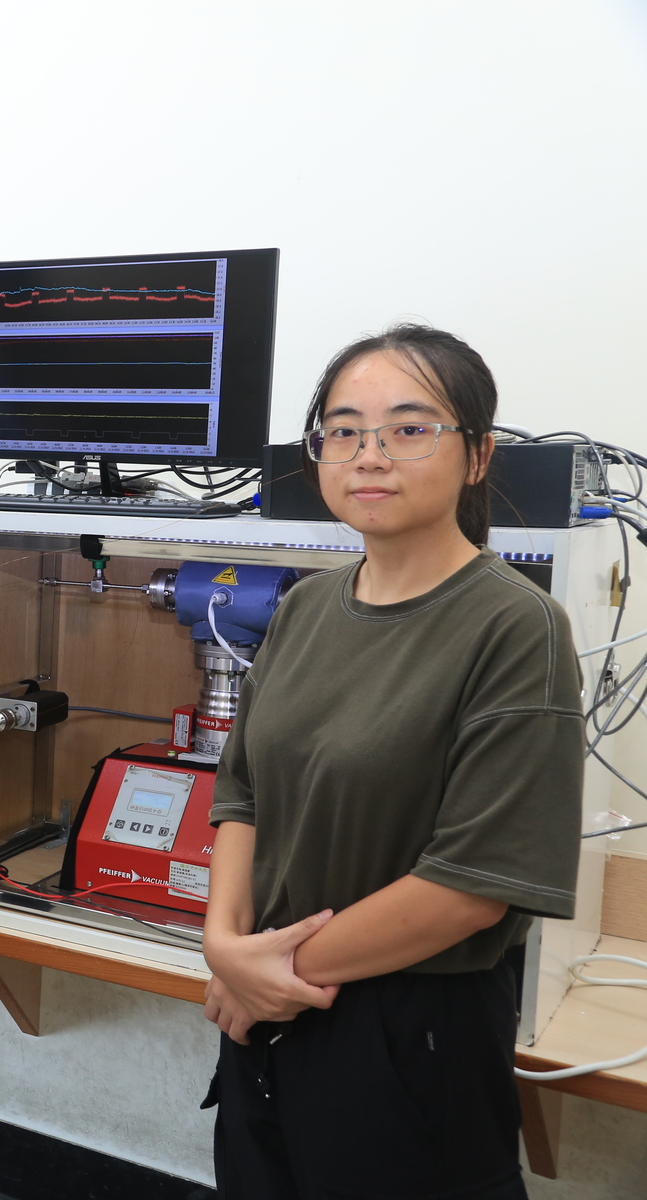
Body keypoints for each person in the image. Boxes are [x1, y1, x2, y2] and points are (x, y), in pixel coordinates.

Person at [200, 324, 583, 1198]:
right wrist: (225, 947)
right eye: (344, 430)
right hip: (268, 1002)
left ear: (477, 455)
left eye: (410, 429)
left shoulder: (516, 627)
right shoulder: (305, 608)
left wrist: (266, 975)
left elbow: (470, 882)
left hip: (409, 1030)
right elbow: (241, 794)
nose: (370, 454)